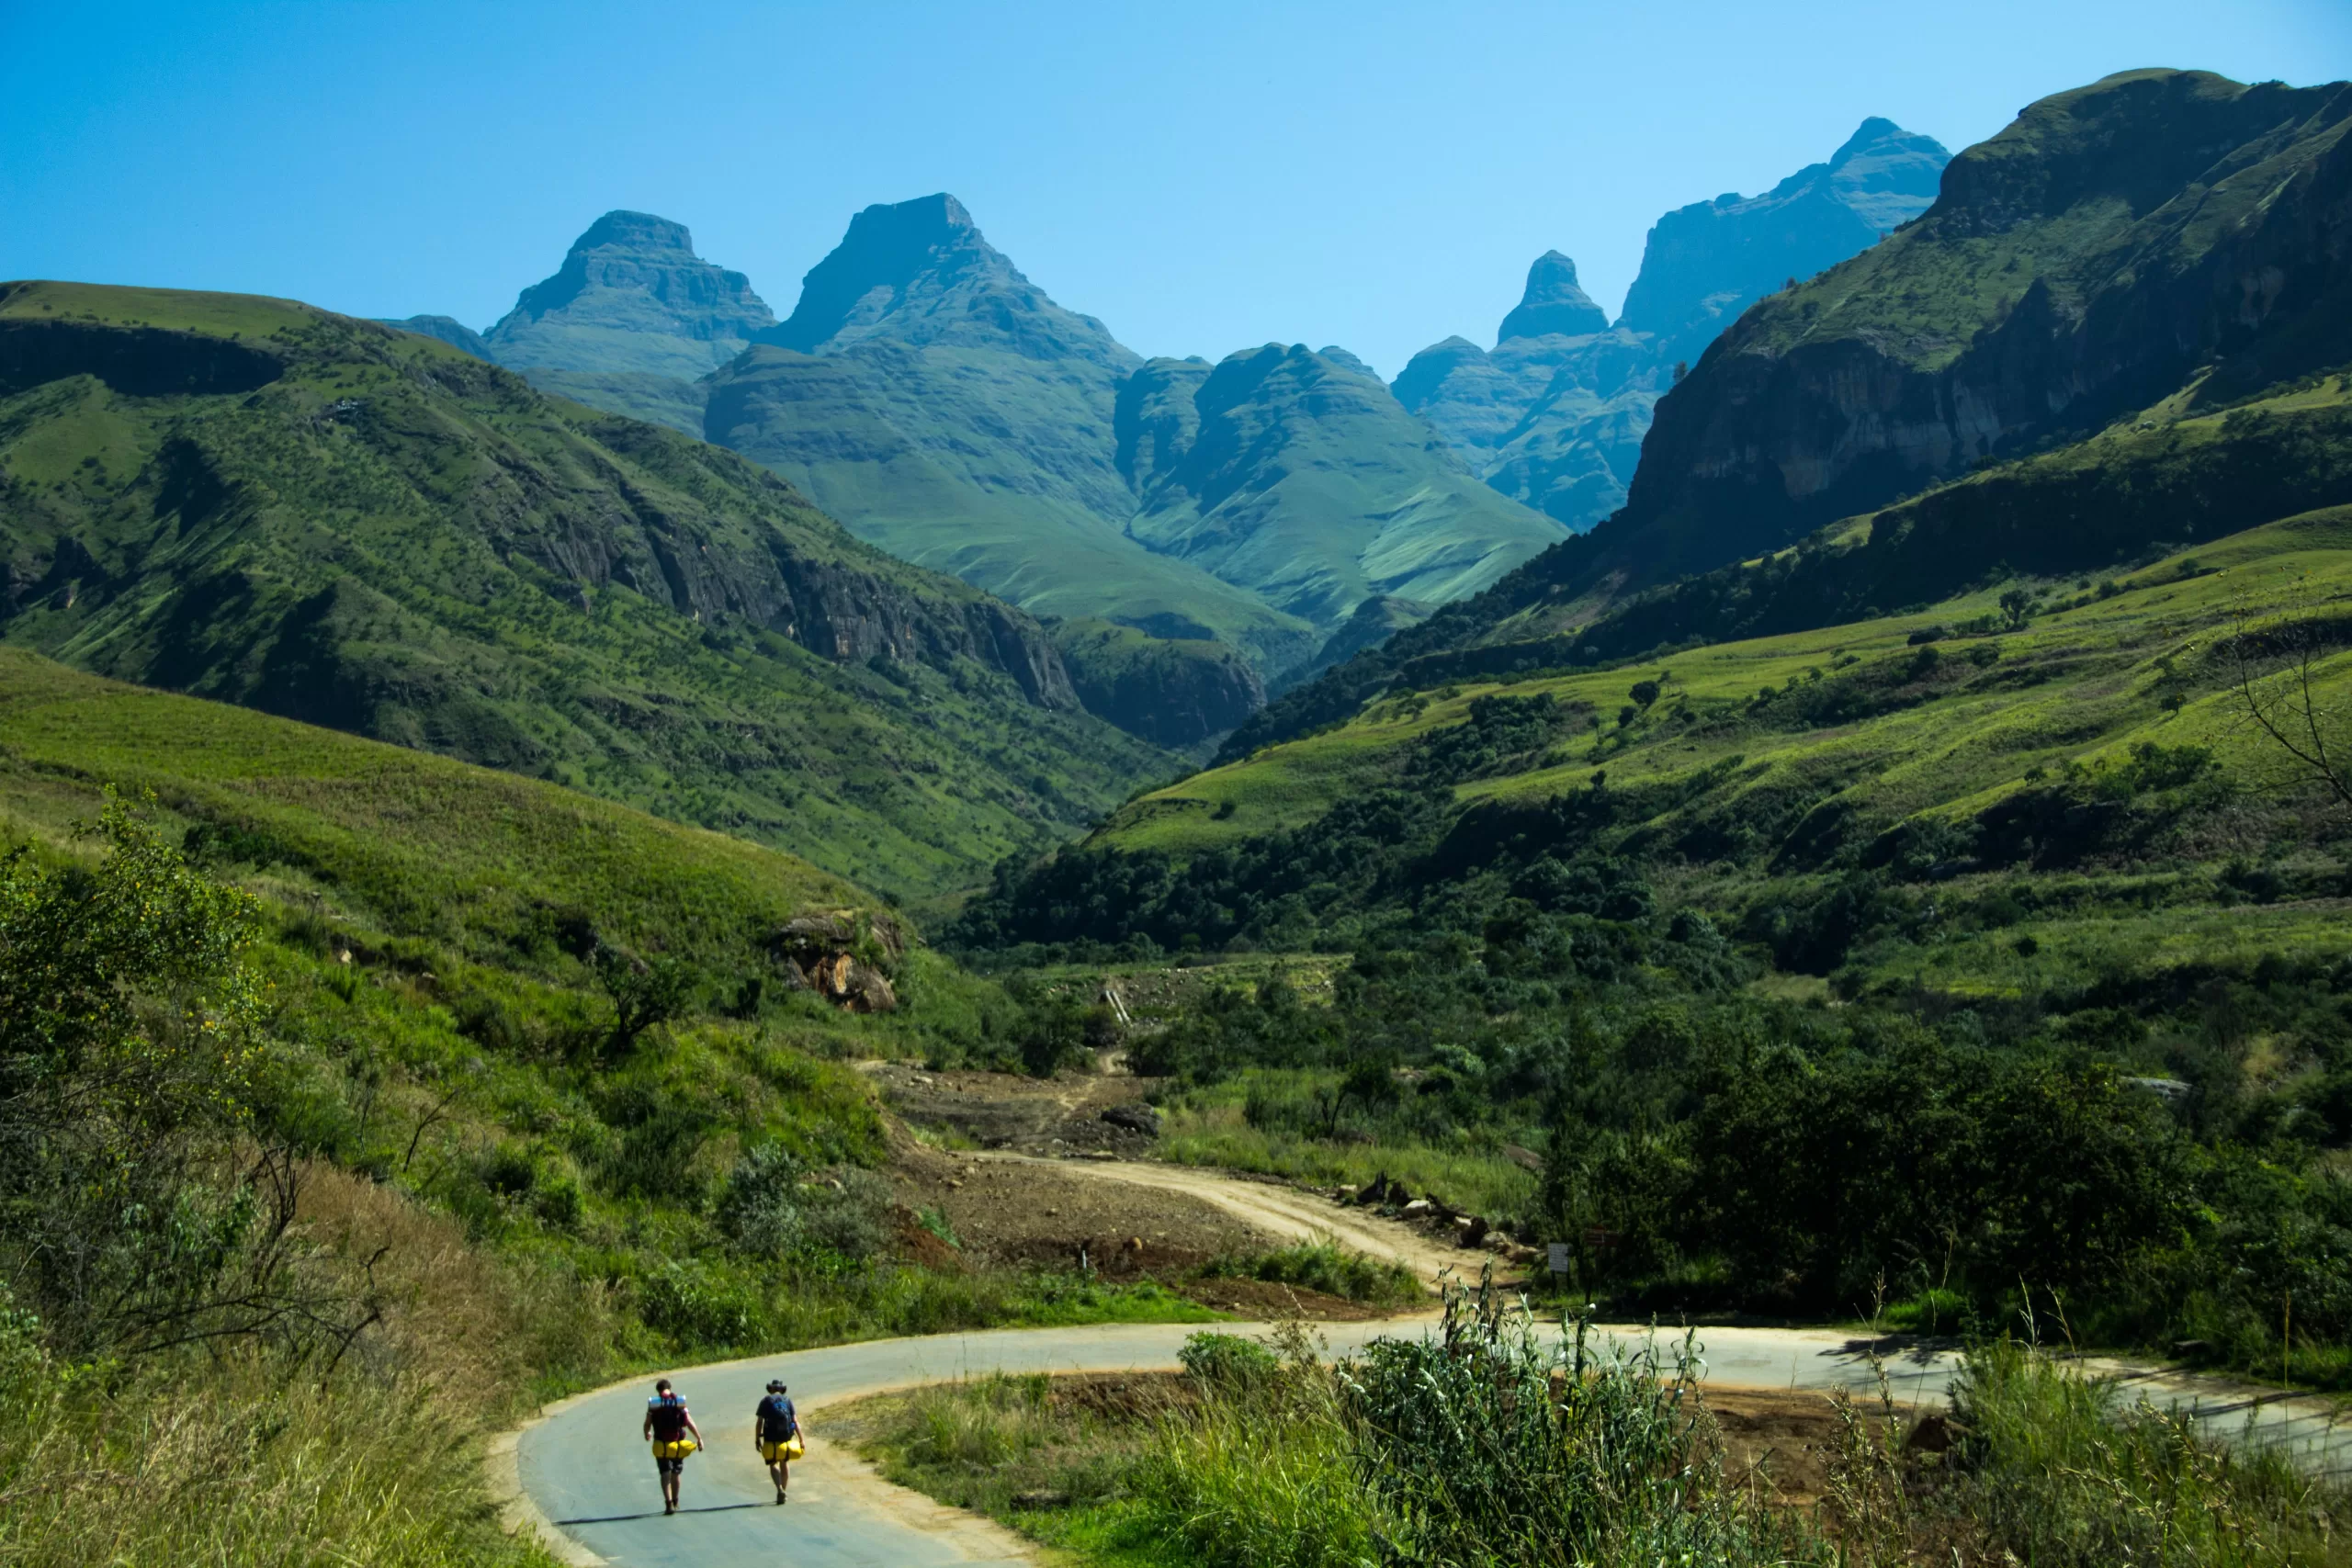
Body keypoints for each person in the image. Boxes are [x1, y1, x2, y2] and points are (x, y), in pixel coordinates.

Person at [641, 1377, 704, 1516]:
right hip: (676, 1445)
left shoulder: (654, 1404)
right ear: (670, 1388)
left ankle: (668, 1503)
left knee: (665, 1473)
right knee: (675, 1473)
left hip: (660, 1445)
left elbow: (647, 1423)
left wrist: (647, 1433)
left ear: (658, 1391)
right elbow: (688, 1422)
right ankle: (676, 1500)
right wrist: (699, 1438)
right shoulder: (679, 1401)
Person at [754, 1379, 802, 1504]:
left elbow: (760, 1422)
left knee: (772, 1463)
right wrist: (801, 1440)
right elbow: (795, 1422)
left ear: (770, 1389)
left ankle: (779, 1488)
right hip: (785, 1436)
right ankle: (784, 1490)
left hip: (770, 1436)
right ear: (781, 1390)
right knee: (784, 1461)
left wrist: (757, 1439)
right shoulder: (787, 1401)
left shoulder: (765, 1401)